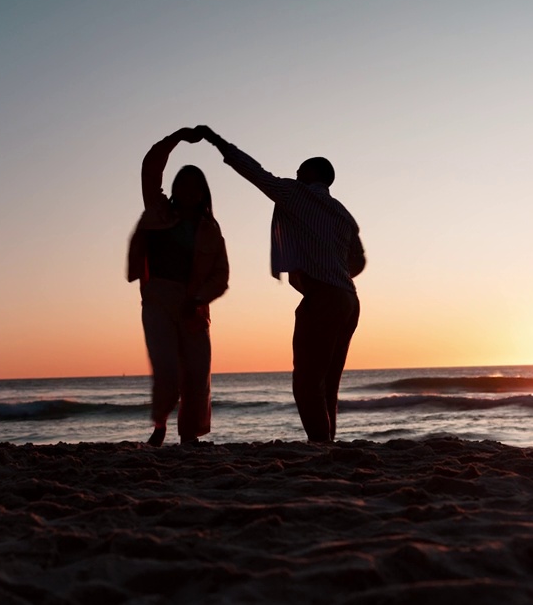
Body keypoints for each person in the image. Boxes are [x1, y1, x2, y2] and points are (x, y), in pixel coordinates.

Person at [195, 125, 366, 442]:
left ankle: (320, 445)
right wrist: (334, 274)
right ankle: (326, 445)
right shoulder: (343, 213)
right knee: (328, 383)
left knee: (306, 382)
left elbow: (254, 172)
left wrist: (215, 139)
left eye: (301, 168)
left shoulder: (294, 193)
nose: (296, 172)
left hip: (326, 298)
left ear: (312, 173)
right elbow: (359, 261)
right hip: (349, 300)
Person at [127, 128, 230, 446]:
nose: (188, 191)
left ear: (203, 193)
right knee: (167, 369)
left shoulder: (210, 229)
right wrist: (177, 138)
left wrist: (197, 298)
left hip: (194, 305)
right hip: (158, 299)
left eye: (195, 186)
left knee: (198, 375)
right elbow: (150, 167)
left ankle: (190, 435)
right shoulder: (158, 211)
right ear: (174, 189)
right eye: (182, 185)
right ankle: (160, 426)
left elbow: (221, 276)